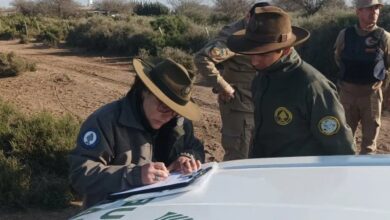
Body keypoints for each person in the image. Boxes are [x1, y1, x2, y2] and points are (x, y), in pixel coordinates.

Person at [68, 58, 205, 208]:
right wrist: (135, 176)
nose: (168, 116)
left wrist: (187, 157)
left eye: (175, 111)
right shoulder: (106, 121)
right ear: (144, 91)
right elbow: (80, 175)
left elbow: (195, 146)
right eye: (164, 107)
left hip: (163, 208)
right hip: (113, 211)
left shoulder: (180, 121)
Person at [226, 6, 355, 157]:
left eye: (262, 54)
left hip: (300, 175)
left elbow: (340, 146)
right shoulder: (262, 78)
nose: (254, 61)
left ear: (285, 49)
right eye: (252, 53)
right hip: (266, 173)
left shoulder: (312, 86)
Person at [194, 2, 270, 160]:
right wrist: (223, 86)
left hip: (261, 104)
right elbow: (203, 58)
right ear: (248, 16)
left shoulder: (264, 30)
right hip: (241, 107)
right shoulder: (235, 36)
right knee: (240, 157)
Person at [334, 0, 390, 155]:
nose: (374, 12)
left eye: (377, 8)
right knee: (344, 142)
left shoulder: (384, 37)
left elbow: (387, 66)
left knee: (369, 147)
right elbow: (338, 58)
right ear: (358, 11)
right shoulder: (345, 35)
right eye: (369, 9)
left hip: (371, 96)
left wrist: (382, 91)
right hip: (347, 95)